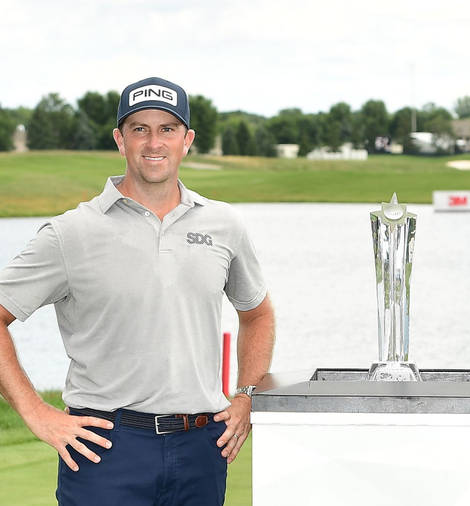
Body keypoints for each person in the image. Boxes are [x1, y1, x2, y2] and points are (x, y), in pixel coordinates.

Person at [0, 77, 275, 505]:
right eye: (139, 129)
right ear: (119, 139)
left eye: (167, 129)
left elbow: (257, 313)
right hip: (105, 450)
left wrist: (246, 395)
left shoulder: (224, 225)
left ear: (187, 140)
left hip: (201, 448)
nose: (154, 142)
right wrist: (37, 413)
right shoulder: (71, 233)